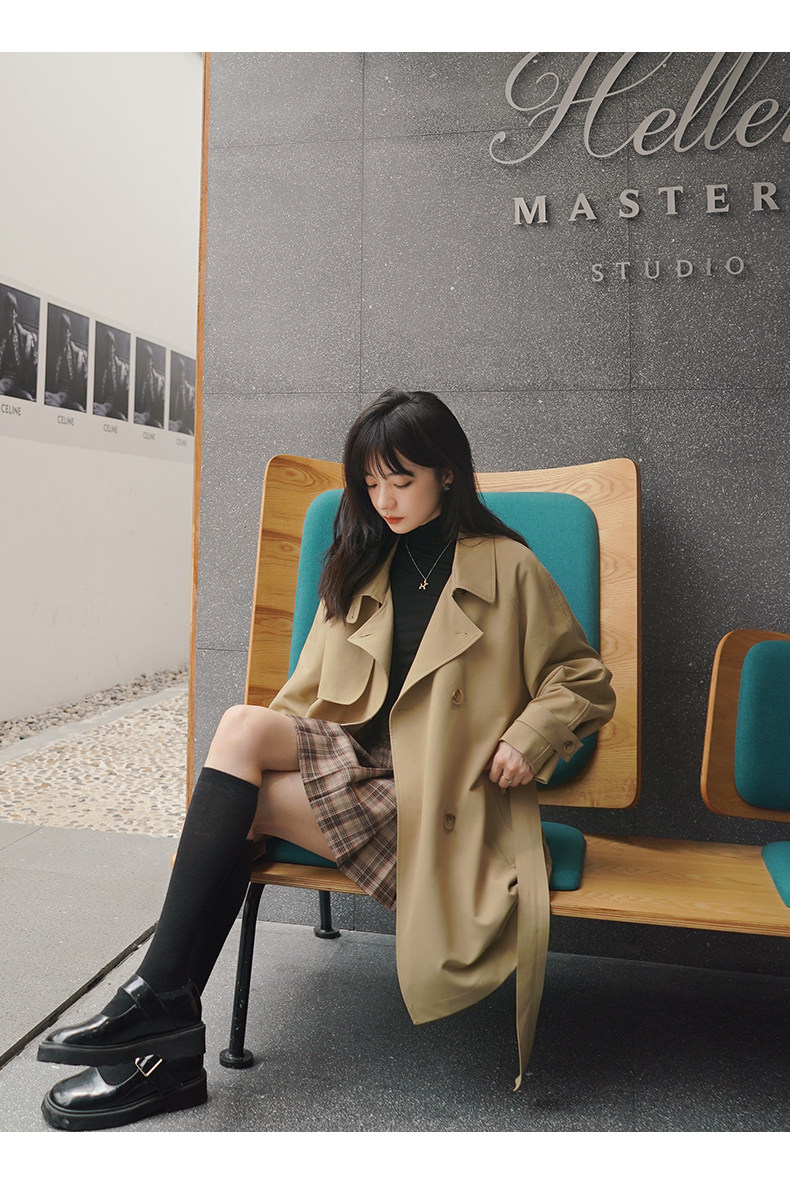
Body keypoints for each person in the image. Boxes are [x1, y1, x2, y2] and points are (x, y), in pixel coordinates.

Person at [37, 389, 616, 1131]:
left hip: (443, 799)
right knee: (241, 731)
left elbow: (583, 679)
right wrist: (278, 762)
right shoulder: (363, 560)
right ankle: (162, 1007)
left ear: (447, 472)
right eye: (370, 484)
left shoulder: (508, 567)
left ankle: (165, 1041)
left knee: (240, 808)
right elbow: (307, 695)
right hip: (358, 762)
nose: (385, 500)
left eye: (400, 480)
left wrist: (527, 737)